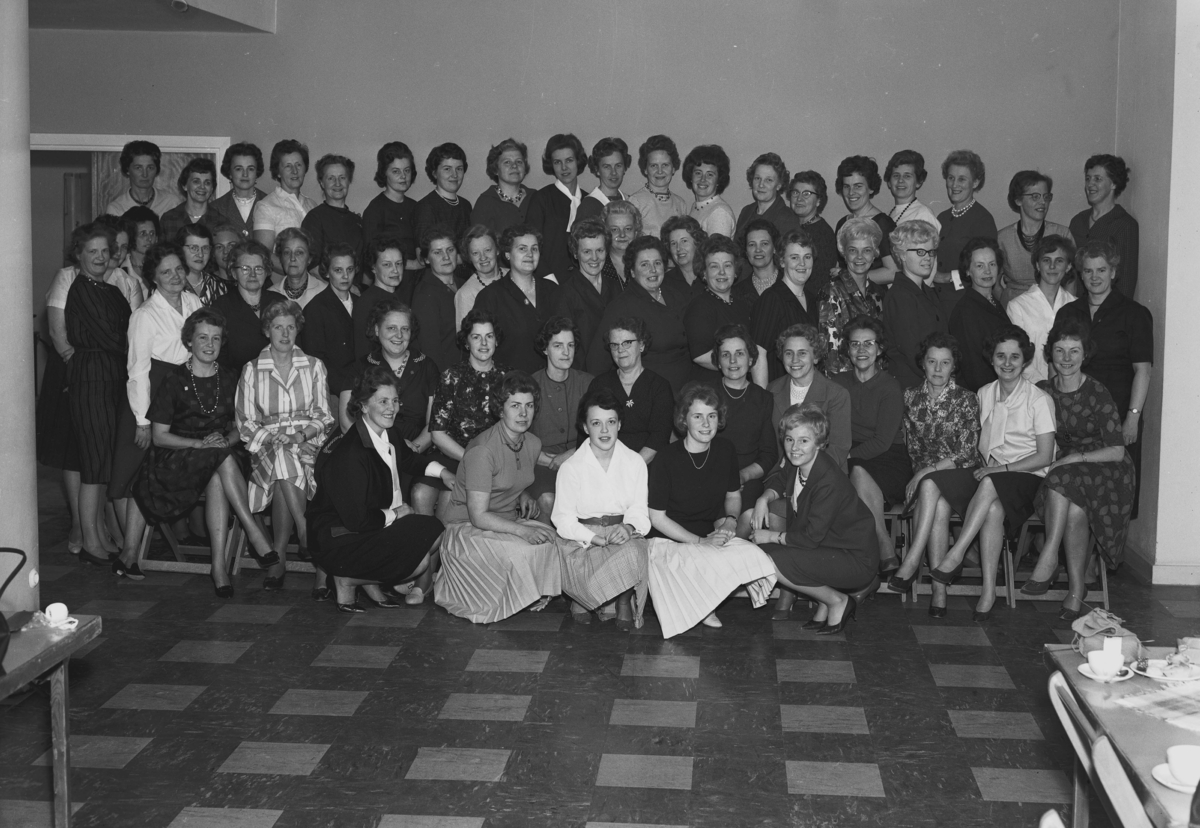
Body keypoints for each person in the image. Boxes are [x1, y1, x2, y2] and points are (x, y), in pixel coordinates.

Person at [124, 308, 280, 592]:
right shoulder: (174, 379)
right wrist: (199, 444)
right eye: (203, 337)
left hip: (223, 451)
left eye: (216, 338)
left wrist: (226, 441)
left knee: (218, 467)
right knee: (217, 462)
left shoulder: (232, 378)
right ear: (189, 341)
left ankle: (218, 566)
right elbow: (159, 437)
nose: (210, 344)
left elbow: (242, 426)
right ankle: (249, 534)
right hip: (178, 453)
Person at [925, 326, 1056, 621]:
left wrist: (1001, 470)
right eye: (1000, 356)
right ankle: (988, 591)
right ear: (992, 359)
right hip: (992, 477)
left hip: (1030, 477)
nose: (1007, 363)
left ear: (1025, 360)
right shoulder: (984, 394)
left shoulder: (1038, 399)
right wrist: (992, 471)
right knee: (993, 508)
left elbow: (1045, 456)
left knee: (989, 482)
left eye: (1014, 357)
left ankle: (956, 553)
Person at [308, 365, 450, 613]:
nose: (391, 408)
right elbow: (357, 519)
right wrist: (397, 513)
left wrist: (444, 473)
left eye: (395, 401)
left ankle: (368, 581)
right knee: (418, 564)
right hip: (340, 537)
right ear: (363, 405)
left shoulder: (388, 432)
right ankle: (346, 580)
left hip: (371, 525)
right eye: (383, 401)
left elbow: (409, 459)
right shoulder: (352, 454)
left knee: (434, 530)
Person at [1023, 317, 1136, 620]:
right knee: (1073, 508)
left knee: (1063, 476)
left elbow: (1117, 450)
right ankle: (1076, 590)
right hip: (1062, 470)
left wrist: (1075, 458)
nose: (1067, 358)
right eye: (1060, 350)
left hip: (1105, 468)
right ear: (1050, 353)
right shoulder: (1041, 391)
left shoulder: (1097, 392)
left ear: (1085, 354)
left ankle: (1049, 555)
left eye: (1074, 351)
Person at [436, 372, 571, 623]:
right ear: (500, 409)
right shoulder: (482, 450)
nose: (523, 413)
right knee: (523, 550)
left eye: (529, 406)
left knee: (556, 541)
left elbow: (510, 474)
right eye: (515, 405)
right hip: (468, 528)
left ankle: (533, 593)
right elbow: (478, 516)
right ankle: (517, 594)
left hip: (505, 520)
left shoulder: (532, 443)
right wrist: (523, 531)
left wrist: (523, 494)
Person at [647, 384, 777, 634]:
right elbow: (657, 518)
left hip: (707, 533)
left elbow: (733, 495)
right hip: (667, 539)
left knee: (755, 556)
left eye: (712, 416)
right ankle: (703, 605)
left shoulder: (725, 449)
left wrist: (730, 519)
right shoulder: (666, 458)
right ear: (684, 420)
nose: (706, 424)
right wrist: (699, 541)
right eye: (697, 416)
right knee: (703, 559)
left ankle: (703, 598)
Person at [107, 242, 204, 564]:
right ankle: (130, 549)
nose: (175, 276)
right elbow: (137, 370)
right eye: (166, 272)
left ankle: (139, 546)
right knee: (129, 471)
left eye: (178, 269)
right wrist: (142, 421)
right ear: (153, 277)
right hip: (148, 396)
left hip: (184, 394)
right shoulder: (144, 315)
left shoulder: (194, 302)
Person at [749, 404, 879, 632]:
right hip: (830, 549)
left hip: (855, 560)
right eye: (789, 439)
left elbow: (810, 538)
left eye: (803, 441)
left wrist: (770, 535)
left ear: (820, 443)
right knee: (765, 553)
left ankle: (837, 601)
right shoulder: (799, 463)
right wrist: (763, 498)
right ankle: (825, 604)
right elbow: (780, 478)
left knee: (769, 559)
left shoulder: (827, 480)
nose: (794, 448)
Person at [235, 298, 336, 590]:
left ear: (297, 329)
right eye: (278, 327)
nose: (284, 333)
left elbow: (324, 416)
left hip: (308, 443)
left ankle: (278, 554)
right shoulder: (252, 369)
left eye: (290, 327)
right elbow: (245, 421)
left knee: (285, 464)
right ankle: (305, 532)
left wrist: (299, 436)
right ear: (267, 330)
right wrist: (273, 437)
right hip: (266, 447)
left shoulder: (314, 366)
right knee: (282, 454)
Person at [1053, 238, 1153, 515]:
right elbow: (1056, 363)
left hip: (1118, 415)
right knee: (1074, 492)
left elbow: (1143, 371)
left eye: (1101, 270)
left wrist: (1132, 418)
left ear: (1113, 272)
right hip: (1075, 417)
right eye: (1088, 270)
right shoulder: (1068, 313)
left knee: (1112, 498)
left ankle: (1108, 546)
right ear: (1080, 273)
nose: (1094, 277)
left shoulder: (1135, 314)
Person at [885, 332, 981, 616]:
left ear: (954, 366)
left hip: (960, 474)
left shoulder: (967, 399)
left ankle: (912, 559)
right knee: (936, 502)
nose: (938, 369)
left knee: (930, 484)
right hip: (925, 479)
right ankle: (939, 591)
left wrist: (928, 471)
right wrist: (921, 472)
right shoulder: (909, 397)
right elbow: (907, 446)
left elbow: (967, 452)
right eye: (932, 362)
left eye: (945, 362)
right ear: (923, 364)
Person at [551, 388, 651, 629]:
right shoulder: (571, 467)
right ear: (586, 428)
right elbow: (563, 518)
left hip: (619, 533)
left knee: (635, 550)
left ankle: (623, 601)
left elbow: (639, 509)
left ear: (619, 425)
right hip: (583, 537)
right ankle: (582, 597)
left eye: (611, 422)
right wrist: (594, 538)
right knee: (575, 557)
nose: (604, 430)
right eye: (596, 423)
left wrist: (628, 527)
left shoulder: (635, 462)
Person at [63, 222, 131, 564]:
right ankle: (90, 540)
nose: (100, 257)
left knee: (104, 462)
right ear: (79, 255)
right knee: (93, 463)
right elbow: (115, 337)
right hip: (91, 379)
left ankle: (100, 534)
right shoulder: (82, 289)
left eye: (105, 251)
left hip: (112, 379)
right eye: (93, 251)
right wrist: (137, 350)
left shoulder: (110, 290)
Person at [338, 300, 442, 520]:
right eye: (391, 328)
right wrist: (381, 448)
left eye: (405, 329)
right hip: (370, 450)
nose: (399, 335)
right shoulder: (360, 367)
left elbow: (434, 423)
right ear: (377, 330)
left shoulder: (427, 366)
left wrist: (413, 448)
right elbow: (347, 421)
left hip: (416, 448)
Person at [832, 316, 910, 572]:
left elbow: (882, 441)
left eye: (868, 343)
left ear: (880, 348)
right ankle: (868, 556)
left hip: (888, 457)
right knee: (847, 473)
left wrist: (844, 457)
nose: (861, 350)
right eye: (855, 344)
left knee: (857, 471)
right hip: (849, 452)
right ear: (848, 349)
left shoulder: (889, 386)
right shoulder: (838, 384)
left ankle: (882, 545)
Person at [588, 236, 694, 395]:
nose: (653, 270)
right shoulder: (621, 307)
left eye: (657, 263)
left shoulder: (677, 295)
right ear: (632, 271)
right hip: (651, 394)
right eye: (644, 264)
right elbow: (596, 363)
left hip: (689, 389)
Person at [429, 310, 510, 483]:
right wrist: (471, 458)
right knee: (421, 493)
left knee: (449, 496)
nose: (484, 343)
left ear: (496, 340)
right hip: (453, 455)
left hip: (494, 459)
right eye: (476, 337)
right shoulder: (451, 377)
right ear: (466, 342)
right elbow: (437, 434)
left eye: (489, 336)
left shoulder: (508, 378)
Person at [474, 224, 561, 374]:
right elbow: (479, 348)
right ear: (507, 254)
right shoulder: (490, 296)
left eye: (534, 249)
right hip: (510, 382)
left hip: (551, 381)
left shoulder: (552, 290)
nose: (530, 254)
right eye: (522, 249)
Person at [527, 317, 592, 517]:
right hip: (541, 461)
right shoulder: (530, 385)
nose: (566, 352)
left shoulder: (588, 383)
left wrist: (573, 453)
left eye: (570, 345)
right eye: (558, 346)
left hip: (582, 457)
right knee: (548, 500)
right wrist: (544, 459)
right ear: (545, 349)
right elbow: (517, 436)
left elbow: (601, 431)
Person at [585, 318, 674, 464]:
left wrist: (632, 468)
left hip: (650, 463)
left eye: (627, 343)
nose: (620, 350)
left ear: (641, 345)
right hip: (606, 462)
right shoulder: (599, 384)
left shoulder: (659, 386)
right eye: (614, 345)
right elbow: (589, 432)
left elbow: (660, 436)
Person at [767, 323, 851, 471]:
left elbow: (838, 448)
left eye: (802, 353)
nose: (794, 360)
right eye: (789, 353)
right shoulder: (772, 390)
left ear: (816, 357)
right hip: (779, 474)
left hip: (822, 474)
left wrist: (800, 475)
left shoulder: (836, 395)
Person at [882, 220, 956, 388]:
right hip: (913, 386)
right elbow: (913, 352)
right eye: (920, 252)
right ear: (902, 255)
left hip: (933, 380)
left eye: (931, 252)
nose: (928, 258)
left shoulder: (927, 291)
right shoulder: (900, 296)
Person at [685, 234, 768, 386]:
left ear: (735, 271)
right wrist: (743, 365)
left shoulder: (742, 305)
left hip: (739, 385)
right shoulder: (699, 306)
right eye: (714, 266)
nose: (722, 272)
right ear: (704, 272)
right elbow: (700, 355)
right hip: (710, 389)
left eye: (727, 265)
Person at [711, 324, 777, 506]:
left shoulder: (763, 398)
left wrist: (742, 476)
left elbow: (769, 454)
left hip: (748, 478)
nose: (733, 361)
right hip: (708, 474)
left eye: (739, 353)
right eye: (726, 355)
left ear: (751, 359)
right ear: (718, 362)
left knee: (748, 514)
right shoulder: (705, 395)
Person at [819, 218, 887, 375]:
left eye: (867, 250)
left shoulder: (878, 293)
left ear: (875, 254)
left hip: (874, 378)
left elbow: (881, 345)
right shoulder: (831, 291)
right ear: (844, 253)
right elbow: (829, 352)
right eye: (853, 250)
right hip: (843, 381)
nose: (859, 257)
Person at [751, 228, 820, 381]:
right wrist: (763, 394)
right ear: (782, 261)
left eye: (807, 257)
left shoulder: (812, 298)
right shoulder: (771, 299)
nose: (802, 263)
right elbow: (758, 354)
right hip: (777, 389)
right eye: (794, 257)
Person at [996, 170, 1073, 306]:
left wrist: (1065, 311)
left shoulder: (1062, 234)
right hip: (1012, 308)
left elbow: (1071, 281)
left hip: (1053, 308)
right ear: (1018, 200)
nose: (1043, 202)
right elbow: (994, 283)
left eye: (1046, 196)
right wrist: (1006, 306)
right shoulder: (1003, 238)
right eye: (1035, 197)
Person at [1068, 154, 1140, 299]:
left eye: (1097, 179)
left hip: (1109, 307)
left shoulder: (1125, 225)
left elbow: (1126, 282)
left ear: (1113, 184)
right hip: (1076, 305)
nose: (1090, 184)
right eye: (1088, 178)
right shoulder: (1077, 221)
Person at [1006, 235, 1077, 382]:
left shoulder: (1076, 305)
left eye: (1059, 261)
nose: (1052, 266)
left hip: (1069, 386)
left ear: (1068, 266)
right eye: (1046, 260)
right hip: (1030, 387)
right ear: (1038, 265)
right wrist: (1044, 386)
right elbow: (1017, 354)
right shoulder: (1017, 306)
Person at [554, 219, 622, 370]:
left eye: (600, 250)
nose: (594, 258)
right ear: (575, 253)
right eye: (587, 252)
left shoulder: (616, 287)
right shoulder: (565, 293)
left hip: (618, 373)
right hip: (584, 375)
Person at [299, 241, 358, 405]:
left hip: (362, 385)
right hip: (332, 392)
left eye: (350, 270)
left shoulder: (361, 303)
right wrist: (348, 390)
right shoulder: (315, 309)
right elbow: (316, 360)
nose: (345, 276)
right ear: (326, 272)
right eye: (338, 270)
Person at [949, 238, 1010, 391]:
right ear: (967, 271)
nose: (987, 271)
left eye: (992, 264)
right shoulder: (966, 311)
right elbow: (974, 369)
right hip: (984, 393)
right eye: (979, 266)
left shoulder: (993, 302)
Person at [525, 133, 586, 281]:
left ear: (578, 161)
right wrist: (549, 279)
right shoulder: (541, 199)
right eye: (557, 162)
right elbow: (530, 245)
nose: (564, 167)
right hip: (549, 281)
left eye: (569, 160)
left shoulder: (588, 200)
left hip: (583, 281)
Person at [935, 150, 998, 284]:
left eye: (962, 179)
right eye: (951, 178)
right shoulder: (942, 218)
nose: (954, 185)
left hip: (965, 294)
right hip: (935, 294)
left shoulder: (983, 220)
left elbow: (986, 269)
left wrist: (947, 277)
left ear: (975, 183)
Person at [253, 139, 317, 267]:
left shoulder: (312, 205)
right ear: (278, 172)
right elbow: (264, 254)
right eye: (288, 166)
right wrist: (297, 272)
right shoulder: (266, 207)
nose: (294, 171)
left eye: (298, 165)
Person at [211, 240, 271, 376]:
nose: (252, 274)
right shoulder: (221, 308)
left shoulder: (279, 302)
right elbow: (218, 357)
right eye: (245, 269)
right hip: (236, 382)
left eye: (258, 268)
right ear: (233, 273)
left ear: (266, 272)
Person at [411, 225, 467, 372]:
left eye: (450, 250)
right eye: (437, 252)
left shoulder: (464, 285)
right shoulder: (425, 295)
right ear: (426, 259)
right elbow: (431, 350)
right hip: (447, 374)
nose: (446, 257)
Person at [352, 236, 417, 359]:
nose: (395, 270)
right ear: (373, 267)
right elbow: (363, 353)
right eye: (387, 265)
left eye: (398, 264)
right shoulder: (366, 303)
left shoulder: (398, 296)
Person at [833, 155, 896, 282]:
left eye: (858, 186)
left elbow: (893, 272)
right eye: (846, 186)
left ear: (871, 188)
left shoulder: (883, 223)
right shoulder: (842, 223)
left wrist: (851, 277)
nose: (851, 192)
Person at [361, 141, 421, 270]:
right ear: (384, 173)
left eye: (407, 170)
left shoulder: (416, 207)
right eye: (396, 171)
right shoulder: (375, 210)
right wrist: (413, 265)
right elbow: (371, 256)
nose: (403, 176)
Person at [301, 154, 363, 265]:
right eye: (331, 178)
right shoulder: (314, 219)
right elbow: (312, 266)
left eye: (342, 177)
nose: (337, 183)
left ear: (349, 181)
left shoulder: (357, 221)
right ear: (322, 183)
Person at [787, 171, 839, 299]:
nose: (799, 198)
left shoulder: (823, 234)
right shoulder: (788, 226)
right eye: (795, 192)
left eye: (807, 194)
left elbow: (819, 283)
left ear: (818, 201)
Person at [415, 143, 473, 257]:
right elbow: (423, 256)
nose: (454, 175)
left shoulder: (466, 205)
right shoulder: (425, 207)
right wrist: (468, 258)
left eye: (459, 169)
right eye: (447, 169)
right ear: (434, 173)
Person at [627, 134, 688, 240]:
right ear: (645, 169)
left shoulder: (680, 204)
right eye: (654, 165)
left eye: (665, 165)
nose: (660, 171)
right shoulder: (636, 202)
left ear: (673, 168)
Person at [470, 138, 531, 236]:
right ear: (495, 169)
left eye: (519, 162)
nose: (514, 166)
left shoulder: (536, 197)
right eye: (507, 162)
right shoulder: (485, 203)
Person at [105, 140, 182, 216]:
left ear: (156, 170)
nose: (145, 174)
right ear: (127, 170)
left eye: (150, 168)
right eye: (138, 168)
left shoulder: (172, 203)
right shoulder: (117, 209)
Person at [733, 152, 799, 241]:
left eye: (769, 180)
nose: (761, 185)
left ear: (779, 185)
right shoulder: (746, 211)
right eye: (757, 178)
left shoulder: (788, 219)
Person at [211, 142, 267, 240]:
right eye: (238, 169)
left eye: (250, 169)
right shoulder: (215, 208)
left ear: (257, 173)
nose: (245, 174)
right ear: (230, 173)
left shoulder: (270, 203)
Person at [454, 225, 505, 329]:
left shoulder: (513, 276)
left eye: (487, 250)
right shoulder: (465, 294)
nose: (483, 257)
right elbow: (464, 335)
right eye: (475, 253)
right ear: (469, 257)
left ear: (497, 250)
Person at [159, 158, 220, 240]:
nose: (202, 187)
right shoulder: (169, 220)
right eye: (196, 181)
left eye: (207, 183)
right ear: (184, 185)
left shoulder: (220, 222)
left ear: (212, 188)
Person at [684, 144, 736, 236]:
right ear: (691, 176)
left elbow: (717, 246)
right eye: (698, 173)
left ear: (718, 180)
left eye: (710, 174)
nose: (703, 179)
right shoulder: (696, 206)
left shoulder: (719, 213)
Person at [576, 137, 630, 225]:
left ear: (624, 168)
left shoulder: (630, 201)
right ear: (597, 170)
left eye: (618, 166)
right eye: (607, 167)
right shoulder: (589, 206)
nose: (613, 172)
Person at [884, 150, 940, 234]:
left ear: (918, 182)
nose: (900, 180)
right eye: (896, 175)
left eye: (907, 176)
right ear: (889, 182)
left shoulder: (923, 215)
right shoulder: (890, 213)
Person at [267, 227, 325, 307]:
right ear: (281, 258)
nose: (292, 258)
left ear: (309, 258)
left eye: (299, 253)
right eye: (287, 253)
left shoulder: (324, 292)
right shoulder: (270, 295)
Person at [177, 223, 228, 306]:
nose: (200, 254)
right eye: (194, 248)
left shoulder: (218, 286)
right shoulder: (172, 284)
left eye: (205, 248)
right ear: (180, 249)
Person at [738, 217, 782, 301]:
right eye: (752, 244)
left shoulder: (790, 286)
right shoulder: (737, 293)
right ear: (746, 251)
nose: (758, 250)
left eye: (764, 244)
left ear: (774, 248)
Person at [660, 214, 707, 294]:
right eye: (673, 243)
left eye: (684, 241)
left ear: (697, 243)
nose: (678, 248)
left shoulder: (711, 276)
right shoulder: (664, 283)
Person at [601, 200, 642, 285]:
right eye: (614, 229)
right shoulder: (597, 265)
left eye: (628, 229)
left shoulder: (647, 262)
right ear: (605, 232)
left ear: (636, 231)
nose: (622, 235)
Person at [120, 206, 160, 282]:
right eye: (143, 234)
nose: (149, 238)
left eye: (152, 233)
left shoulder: (162, 266)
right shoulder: (120, 270)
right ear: (131, 236)